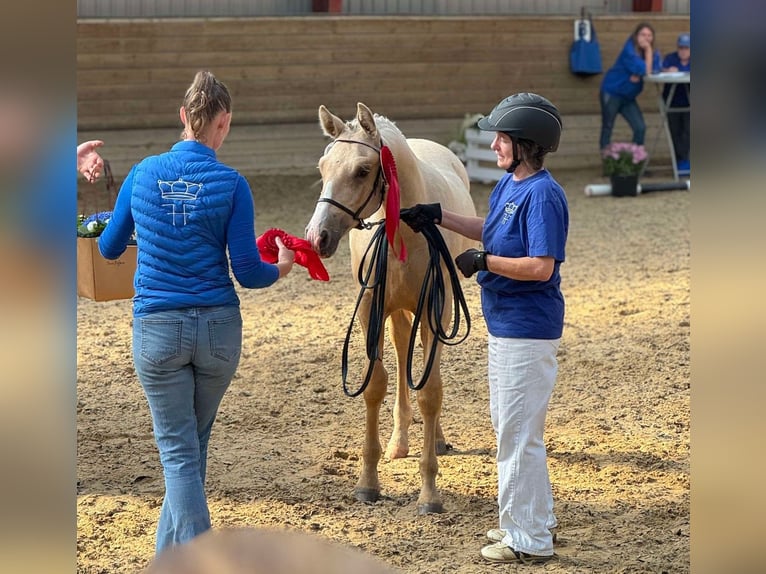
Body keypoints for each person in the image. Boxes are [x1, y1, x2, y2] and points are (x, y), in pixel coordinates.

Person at [97, 70, 296, 555]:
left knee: (179, 452)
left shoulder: (143, 173)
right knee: (191, 450)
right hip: (218, 331)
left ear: (183, 116)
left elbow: (108, 248)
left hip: (159, 329)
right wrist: (283, 268)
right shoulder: (231, 184)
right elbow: (248, 271)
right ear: (223, 124)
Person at [400, 92, 568, 565]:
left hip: (527, 329)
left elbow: (541, 266)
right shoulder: (510, 186)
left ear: (524, 143)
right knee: (510, 430)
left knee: (517, 435)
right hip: (506, 326)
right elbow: (488, 227)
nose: (493, 144)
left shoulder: (543, 195)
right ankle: (530, 520)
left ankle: (528, 540)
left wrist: (484, 262)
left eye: (501, 137)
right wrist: (438, 215)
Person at [599, 22, 661, 152]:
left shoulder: (650, 53)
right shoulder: (629, 50)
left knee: (640, 127)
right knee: (608, 126)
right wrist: (648, 55)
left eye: (649, 35)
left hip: (628, 97)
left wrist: (644, 68)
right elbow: (645, 70)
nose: (646, 38)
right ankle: (607, 163)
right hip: (612, 92)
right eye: (643, 34)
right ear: (636, 36)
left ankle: (636, 161)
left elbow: (655, 69)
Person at [661, 32, 691, 173]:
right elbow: (660, 69)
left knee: (688, 130)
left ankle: (685, 159)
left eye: (686, 48)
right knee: (674, 131)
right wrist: (667, 70)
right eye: (681, 48)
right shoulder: (670, 58)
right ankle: (679, 159)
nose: (683, 51)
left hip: (689, 102)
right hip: (671, 101)